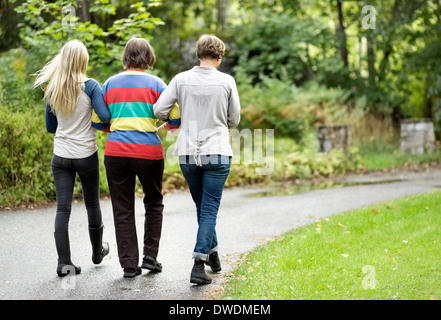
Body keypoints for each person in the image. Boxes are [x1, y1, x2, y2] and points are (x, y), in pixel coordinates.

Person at [154, 35, 241, 284]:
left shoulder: (181, 79)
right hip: (217, 151)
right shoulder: (227, 81)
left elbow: (158, 110)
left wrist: (180, 115)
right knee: (209, 208)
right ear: (220, 56)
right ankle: (198, 264)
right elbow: (234, 120)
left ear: (198, 54)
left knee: (203, 207)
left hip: (188, 153)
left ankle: (212, 255)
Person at [99, 38, 180, 278]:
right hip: (148, 151)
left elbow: (99, 119)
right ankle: (149, 256)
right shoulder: (156, 83)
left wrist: (114, 128)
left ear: (125, 57)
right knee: (153, 202)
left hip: (116, 151)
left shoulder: (109, 84)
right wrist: (165, 126)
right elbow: (176, 114)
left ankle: (129, 265)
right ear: (149, 57)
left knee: (122, 207)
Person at [33, 40, 111, 277]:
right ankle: (98, 252)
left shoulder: (53, 88)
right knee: (92, 204)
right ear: (83, 61)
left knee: (63, 210)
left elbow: (50, 127)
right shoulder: (91, 86)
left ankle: (64, 263)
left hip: (61, 157)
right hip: (86, 155)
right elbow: (105, 117)